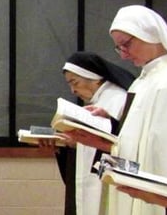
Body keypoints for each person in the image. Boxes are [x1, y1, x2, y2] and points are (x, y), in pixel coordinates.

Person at [66, 5, 167, 215]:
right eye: (118, 48)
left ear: (149, 33)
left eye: (126, 44)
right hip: (135, 189)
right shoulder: (142, 82)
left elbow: (166, 151)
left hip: (155, 195)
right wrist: (108, 129)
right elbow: (136, 143)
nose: (123, 55)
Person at [44, 51, 135, 215]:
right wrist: (65, 146)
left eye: (75, 82)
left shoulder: (118, 100)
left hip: (108, 184)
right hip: (95, 180)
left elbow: (124, 151)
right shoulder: (101, 100)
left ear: (94, 78)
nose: (73, 90)